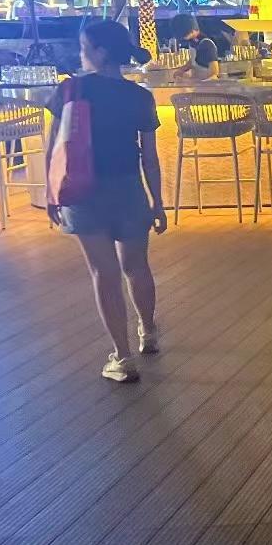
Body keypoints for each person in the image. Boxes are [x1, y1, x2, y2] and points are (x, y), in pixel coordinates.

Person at [45, 20, 167, 383]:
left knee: (105, 273)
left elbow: (55, 148)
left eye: (84, 47)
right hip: (129, 188)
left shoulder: (71, 90)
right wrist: (157, 201)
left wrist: (51, 193)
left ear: (100, 52)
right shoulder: (140, 96)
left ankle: (123, 357)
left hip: (83, 192)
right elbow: (149, 158)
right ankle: (148, 331)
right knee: (137, 266)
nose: (81, 54)